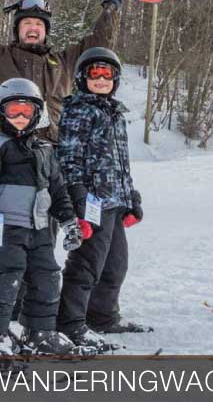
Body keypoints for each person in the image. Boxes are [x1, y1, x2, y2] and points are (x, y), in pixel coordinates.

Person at [0, 0, 127, 348]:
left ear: (46, 31)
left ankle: (34, 325)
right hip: (5, 161)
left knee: (39, 250)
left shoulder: (62, 62)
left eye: (38, 25)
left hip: (49, 162)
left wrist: (112, 5)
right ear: (18, 29)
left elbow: (99, 42)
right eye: (26, 24)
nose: (32, 30)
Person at [0, 78, 85, 356]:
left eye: (26, 111)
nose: (19, 117)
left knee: (47, 277)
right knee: (4, 279)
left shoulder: (44, 150)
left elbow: (58, 191)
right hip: (4, 228)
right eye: (13, 111)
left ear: (37, 113)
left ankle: (39, 333)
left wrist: (69, 221)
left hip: (40, 228)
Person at [56, 47, 148, 351]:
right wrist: (79, 201)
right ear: (83, 77)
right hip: (92, 203)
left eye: (107, 73)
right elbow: (68, 159)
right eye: (94, 73)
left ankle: (103, 316)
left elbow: (122, 162)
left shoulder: (114, 113)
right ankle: (70, 323)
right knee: (86, 265)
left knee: (115, 265)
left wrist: (132, 197)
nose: (101, 79)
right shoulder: (78, 110)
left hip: (115, 202)